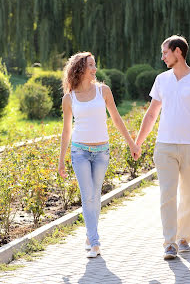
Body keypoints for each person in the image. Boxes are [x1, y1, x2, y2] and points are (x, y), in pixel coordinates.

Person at [134, 35, 190, 260]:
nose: (162, 57)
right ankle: (169, 243)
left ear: (178, 52)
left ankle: (184, 238)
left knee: (188, 195)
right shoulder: (161, 79)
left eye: (165, 52)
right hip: (164, 146)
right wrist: (138, 142)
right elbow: (151, 114)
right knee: (167, 195)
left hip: (189, 147)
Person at [58, 52, 140, 258]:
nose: (95, 69)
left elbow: (116, 118)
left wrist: (131, 143)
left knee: (95, 196)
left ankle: (90, 233)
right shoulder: (69, 98)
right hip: (80, 151)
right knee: (88, 196)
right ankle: (94, 242)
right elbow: (66, 130)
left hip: (102, 151)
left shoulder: (103, 91)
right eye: (91, 65)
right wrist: (61, 160)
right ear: (80, 69)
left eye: (95, 65)